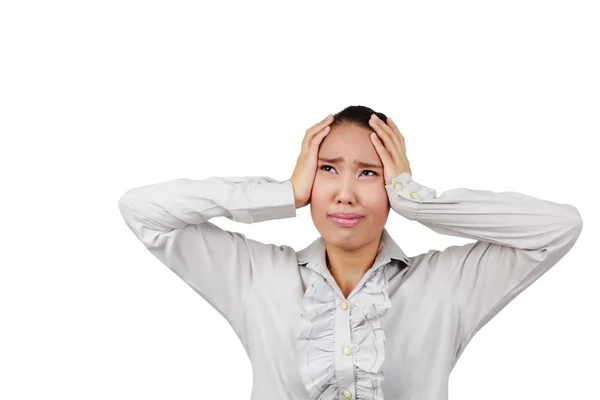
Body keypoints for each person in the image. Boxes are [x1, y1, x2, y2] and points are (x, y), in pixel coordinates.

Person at [117, 105, 583, 400]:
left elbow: (558, 227)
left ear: (391, 185)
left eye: (367, 173)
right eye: (327, 169)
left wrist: (416, 199)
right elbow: (142, 210)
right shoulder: (256, 278)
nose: (344, 194)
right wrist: (283, 193)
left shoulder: (446, 286)